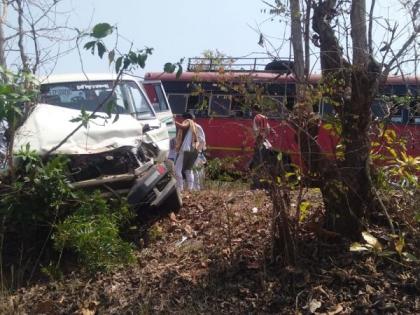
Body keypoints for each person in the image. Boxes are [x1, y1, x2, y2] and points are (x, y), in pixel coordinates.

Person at [174, 112, 206, 191]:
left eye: (183, 119)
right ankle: (191, 189)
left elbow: (182, 126)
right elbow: (202, 140)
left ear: (187, 119)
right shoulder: (198, 127)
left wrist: (172, 121)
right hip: (195, 151)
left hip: (186, 150)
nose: (182, 120)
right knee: (189, 170)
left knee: (177, 169)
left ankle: (180, 188)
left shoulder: (189, 123)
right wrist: (198, 150)